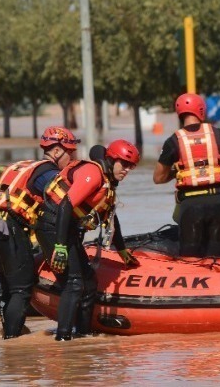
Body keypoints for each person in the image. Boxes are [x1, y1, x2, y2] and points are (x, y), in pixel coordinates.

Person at [0, 126, 78, 339]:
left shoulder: (22, 165)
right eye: (71, 153)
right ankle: (12, 344)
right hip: (9, 229)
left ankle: (9, 335)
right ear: (58, 151)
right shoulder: (48, 172)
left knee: (9, 287)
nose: (72, 160)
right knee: (21, 290)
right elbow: (68, 200)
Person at [36, 139, 141, 341]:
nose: (127, 170)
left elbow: (112, 220)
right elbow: (66, 205)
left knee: (89, 282)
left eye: (131, 166)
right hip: (52, 225)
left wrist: (122, 252)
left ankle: (83, 333)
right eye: (124, 164)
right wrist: (59, 246)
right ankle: (63, 337)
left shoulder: (108, 184)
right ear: (111, 159)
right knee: (74, 282)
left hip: (65, 228)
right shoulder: (93, 174)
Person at [153, 93, 220, 257]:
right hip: (218, 202)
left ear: (180, 114)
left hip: (190, 204)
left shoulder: (173, 141)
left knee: (190, 259)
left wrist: (180, 171)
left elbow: (158, 178)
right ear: (201, 111)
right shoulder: (219, 134)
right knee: (216, 257)